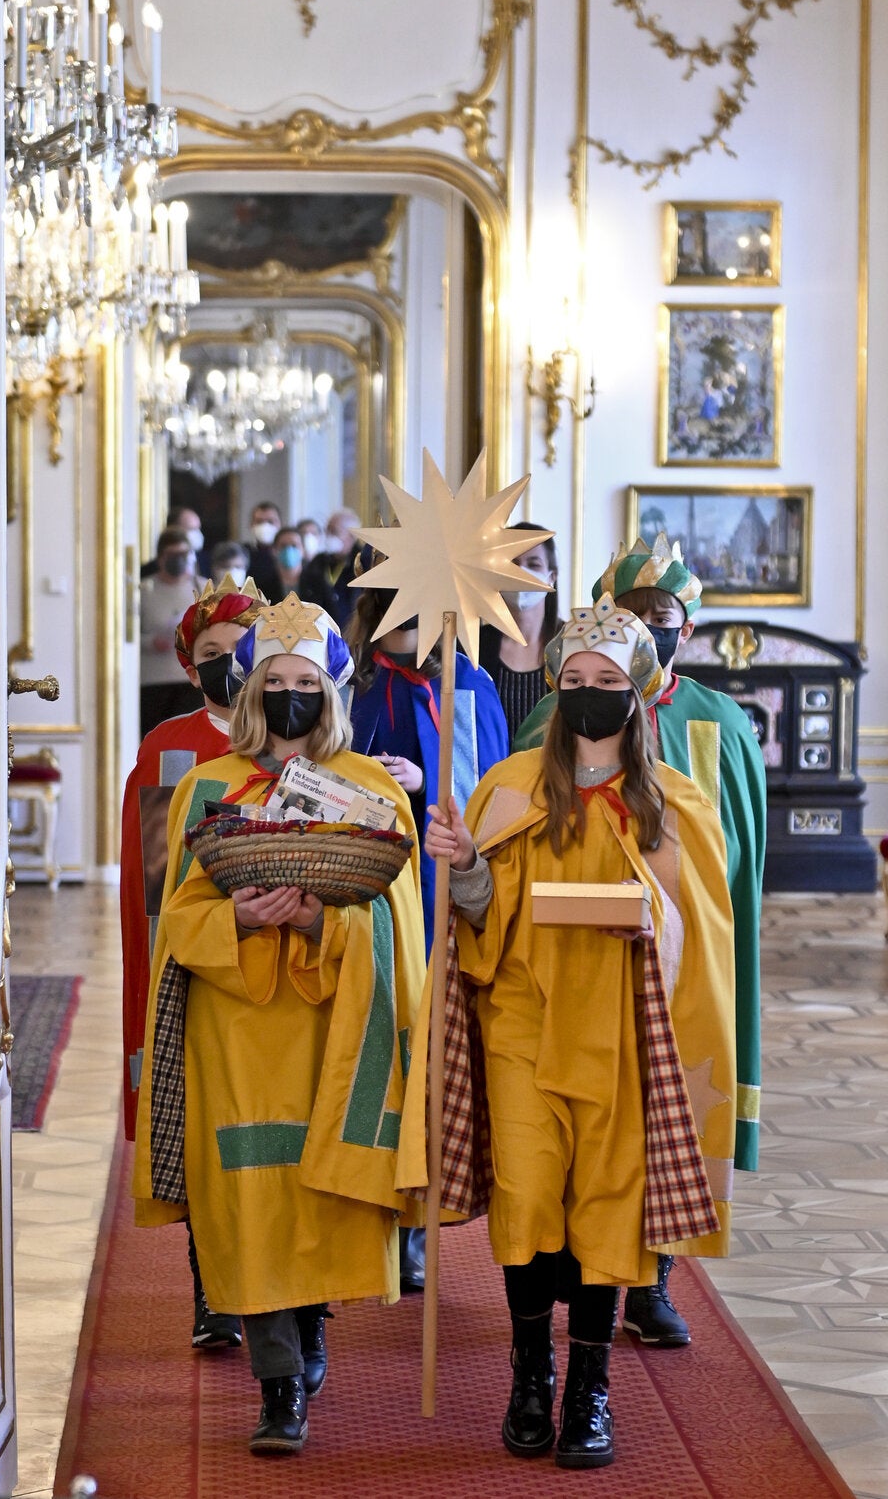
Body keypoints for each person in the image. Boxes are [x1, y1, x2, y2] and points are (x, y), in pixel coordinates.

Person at [424, 595, 736, 1468]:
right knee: (527, 1198)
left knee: (606, 1211)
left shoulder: (672, 803)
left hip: (624, 1038)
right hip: (522, 1023)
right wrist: (469, 867)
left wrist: (654, 922)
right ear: (554, 689)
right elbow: (474, 923)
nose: (588, 693)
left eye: (606, 681)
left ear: (638, 693)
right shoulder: (506, 788)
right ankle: (530, 1371)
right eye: (572, 680)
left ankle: (589, 1387)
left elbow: (702, 932)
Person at [132, 593, 426, 1457]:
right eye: (274, 679)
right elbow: (177, 920)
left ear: (331, 691)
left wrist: (316, 924)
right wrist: (243, 919)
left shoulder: (372, 789)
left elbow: (399, 930)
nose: (289, 694)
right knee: (249, 1202)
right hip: (238, 1030)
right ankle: (277, 1383)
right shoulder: (206, 786)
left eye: (306, 681)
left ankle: (311, 1329)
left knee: (315, 1194)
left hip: (334, 1026)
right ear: (251, 688)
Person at [515, 534, 766, 1347]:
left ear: (683, 631)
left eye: (666, 618)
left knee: (664, 1114)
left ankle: (652, 1280)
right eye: (633, 613)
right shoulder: (552, 715)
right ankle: (561, 1283)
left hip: (671, 949)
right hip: (553, 972)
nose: (651, 626)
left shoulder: (718, 720)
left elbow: (736, 849)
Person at [346, 558, 509, 1293]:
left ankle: (418, 1218)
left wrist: (425, 779)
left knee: (431, 1053)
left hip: (441, 892)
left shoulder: (465, 686)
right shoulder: (354, 684)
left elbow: (490, 792)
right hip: (372, 893)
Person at [120, 575, 267, 1350]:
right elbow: (152, 886)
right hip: (198, 955)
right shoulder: (169, 747)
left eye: (242, 650)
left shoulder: (289, 735)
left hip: (283, 958)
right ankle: (210, 1285)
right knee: (203, 1115)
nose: (230, 664)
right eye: (213, 654)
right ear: (190, 665)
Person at [478, 521, 563, 746]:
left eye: (533, 564)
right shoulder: (472, 646)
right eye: (513, 563)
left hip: (556, 775)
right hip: (489, 777)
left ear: (551, 577)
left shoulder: (574, 642)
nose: (520, 572)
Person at [139, 527, 202, 734]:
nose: (178, 560)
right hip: (153, 681)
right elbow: (125, 637)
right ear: (160, 558)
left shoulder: (202, 587)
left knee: (188, 739)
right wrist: (150, 642)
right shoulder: (143, 590)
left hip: (190, 680)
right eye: (172, 555)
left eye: (183, 554)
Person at [300, 506, 362, 629]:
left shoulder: (363, 564)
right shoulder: (318, 562)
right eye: (327, 530)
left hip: (352, 632)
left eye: (334, 532)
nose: (328, 536)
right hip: (319, 630)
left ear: (352, 536)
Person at [140, 505, 209, 579]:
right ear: (174, 529)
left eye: (198, 528)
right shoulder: (148, 572)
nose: (197, 534)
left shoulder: (206, 563)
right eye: (192, 529)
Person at [245, 500, 284, 601]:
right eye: (259, 521)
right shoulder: (243, 554)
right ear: (251, 525)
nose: (265, 526)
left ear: (280, 524)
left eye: (271, 521)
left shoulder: (286, 554)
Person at [273, 525, 306, 594]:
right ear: (274, 550)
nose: (288, 550)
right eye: (283, 546)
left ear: (303, 550)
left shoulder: (319, 583)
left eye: (294, 545)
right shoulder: (262, 585)